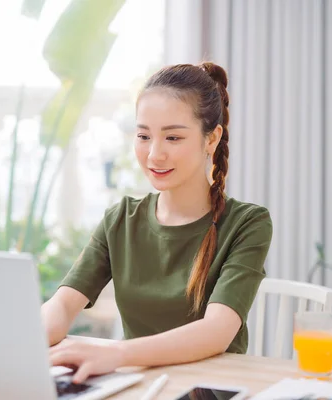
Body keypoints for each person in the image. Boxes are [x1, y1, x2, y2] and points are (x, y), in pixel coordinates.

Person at [42, 62, 273, 383]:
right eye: (143, 136)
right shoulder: (121, 219)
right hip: (135, 386)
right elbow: (64, 305)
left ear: (211, 139)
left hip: (209, 389)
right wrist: (24, 341)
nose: (154, 155)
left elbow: (217, 331)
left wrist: (117, 354)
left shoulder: (248, 223)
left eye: (173, 138)